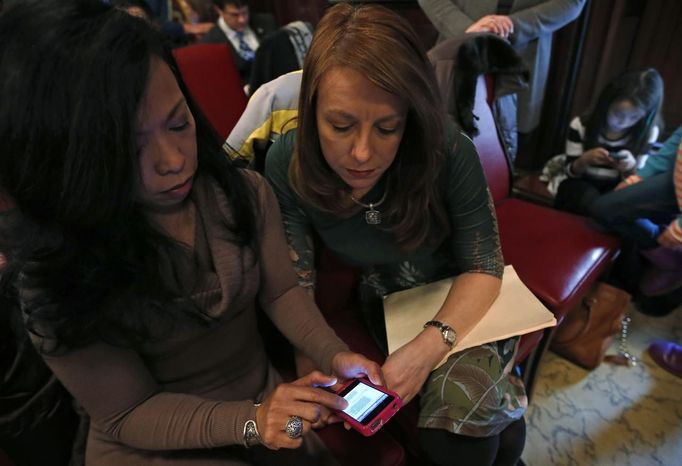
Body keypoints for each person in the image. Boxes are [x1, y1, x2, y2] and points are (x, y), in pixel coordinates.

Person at [0, 1, 383, 465]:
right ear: (71, 162)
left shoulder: (240, 193)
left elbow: (282, 292)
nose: (174, 160)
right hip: (152, 440)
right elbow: (128, 413)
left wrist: (334, 354)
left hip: (262, 406)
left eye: (178, 123)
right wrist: (251, 420)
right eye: (130, 148)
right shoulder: (55, 272)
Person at [265, 4, 527, 466]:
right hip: (387, 299)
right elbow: (295, 285)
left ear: (412, 117)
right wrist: (313, 363)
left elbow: (484, 268)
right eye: (340, 126)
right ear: (311, 111)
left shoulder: (447, 150)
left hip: (463, 297)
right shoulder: (288, 163)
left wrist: (427, 348)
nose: (362, 153)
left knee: (468, 436)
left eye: (388, 128)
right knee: (478, 442)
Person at [417, 0, 586, 160]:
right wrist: (466, 29)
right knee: (435, 150)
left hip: (522, 59)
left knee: (501, 157)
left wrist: (511, 25)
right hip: (456, 52)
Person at [553, 68, 663, 215]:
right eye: (618, 114)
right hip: (582, 183)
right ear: (606, 104)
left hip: (618, 188)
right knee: (582, 196)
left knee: (623, 204)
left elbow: (639, 182)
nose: (623, 122)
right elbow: (570, 173)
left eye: (634, 117)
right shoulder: (581, 124)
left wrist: (629, 168)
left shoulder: (648, 132)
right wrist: (585, 160)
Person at [590, 126, 682, 296]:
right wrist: (641, 176)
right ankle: (669, 259)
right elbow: (678, 138)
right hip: (677, 177)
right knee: (604, 209)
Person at [201, 0, 276, 89]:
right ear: (219, 10)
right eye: (234, 15)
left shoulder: (266, 22)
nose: (242, 20)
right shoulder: (209, 45)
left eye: (244, 12)